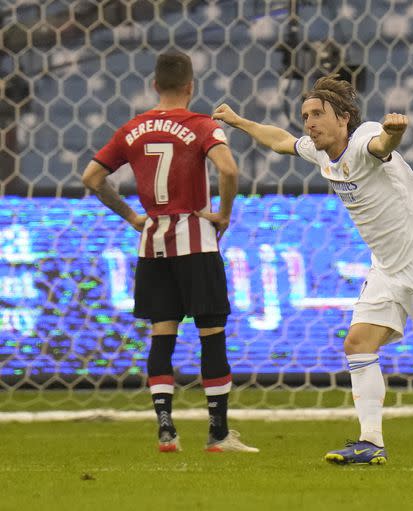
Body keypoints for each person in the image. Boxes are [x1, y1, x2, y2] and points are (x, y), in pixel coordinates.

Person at [213, 75, 413, 465]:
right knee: (357, 343)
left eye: (318, 114)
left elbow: (382, 145)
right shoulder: (321, 152)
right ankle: (370, 442)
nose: (309, 123)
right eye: (305, 116)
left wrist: (394, 132)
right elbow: (280, 140)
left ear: (344, 119)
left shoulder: (364, 138)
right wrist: (239, 121)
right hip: (385, 267)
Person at [81, 50, 258, 453]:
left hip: (153, 241)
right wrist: (223, 214)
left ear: (155, 85)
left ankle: (166, 429)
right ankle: (217, 434)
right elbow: (228, 170)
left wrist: (131, 216)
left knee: (162, 336)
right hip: (195, 235)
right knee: (211, 334)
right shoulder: (199, 125)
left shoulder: (132, 129)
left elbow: (92, 177)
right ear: (191, 87)